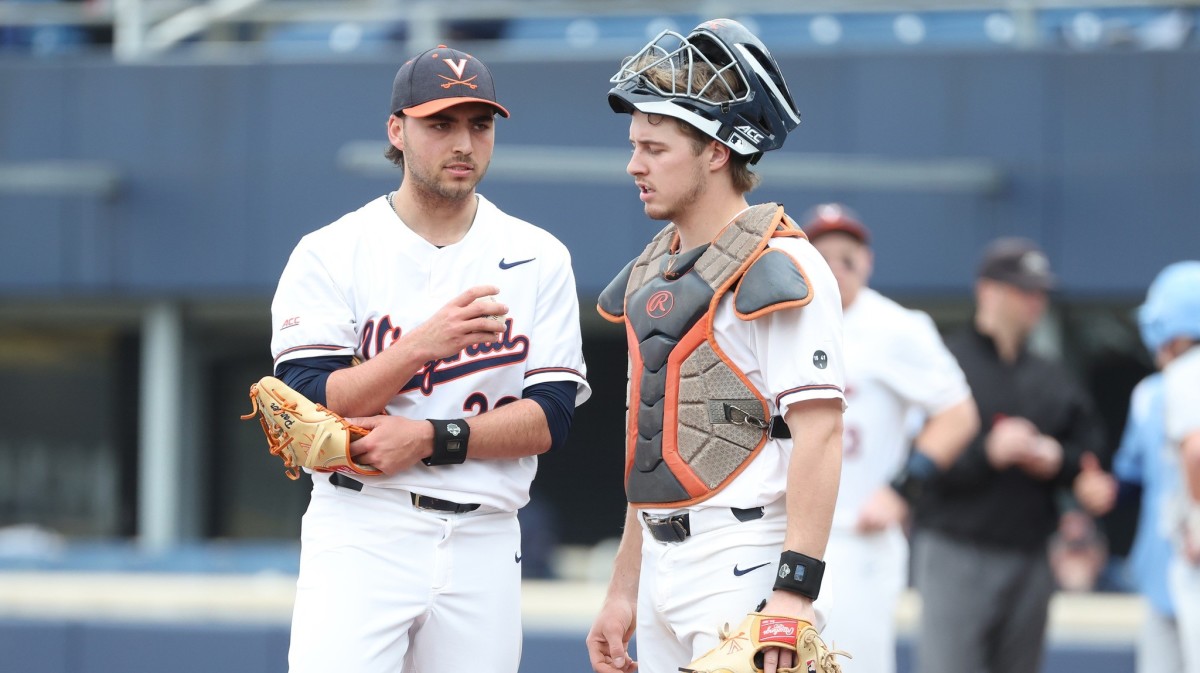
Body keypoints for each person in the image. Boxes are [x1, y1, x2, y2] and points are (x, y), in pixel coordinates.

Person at [268, 44, 590, 673]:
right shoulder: (332, 251)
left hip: (486, 535)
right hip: (364, 524)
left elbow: (553, 417)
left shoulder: (538, 255)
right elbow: (308, 401)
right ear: (397, 129)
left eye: (480, 124)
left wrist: (428, 438)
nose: (463, 142)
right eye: (440, 123)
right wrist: (422, 344)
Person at [584, 19, 846, 673]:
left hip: (747, 555)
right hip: (662, 564)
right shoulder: (654, 269)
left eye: (654, 146)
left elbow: (821, 435)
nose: (634, 164)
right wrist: (624, 586)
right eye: (633, 144)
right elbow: (653, 443)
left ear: (717, 150)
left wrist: (793, 591)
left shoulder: (779, 265)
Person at [911, 237, 1107, 673]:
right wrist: (987, 452)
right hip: (956, 548)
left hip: (1029, 553)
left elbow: (1088, 452)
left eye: (1039, 293)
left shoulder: (1049, 375)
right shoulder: (945, 361)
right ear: (988, 290)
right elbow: (913, 459)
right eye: (1024, 291)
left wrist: (1056, 459)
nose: (1034, 303)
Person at [801, 204, 979, 673]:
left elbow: (958, 413)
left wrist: (904, 488)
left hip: (858, 532)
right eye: (824, 256)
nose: (838, 267)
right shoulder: (784, 319)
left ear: (868, 262)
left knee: (853, 664)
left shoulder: (897, 327)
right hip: (784, 532)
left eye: (848, 256)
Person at [1077, 260, 1200, 672]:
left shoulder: (1185, 379)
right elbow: (1132, 479)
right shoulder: (1150, 394)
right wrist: (1106, 490)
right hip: (1164, 568)